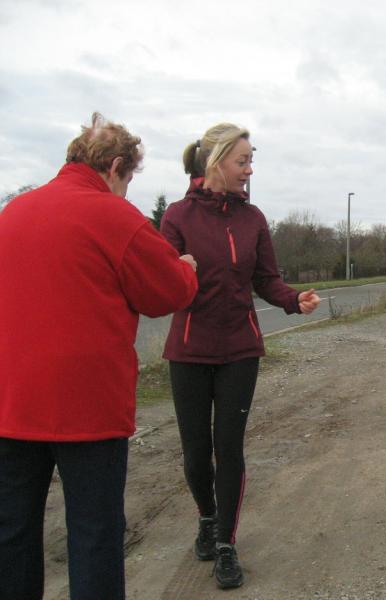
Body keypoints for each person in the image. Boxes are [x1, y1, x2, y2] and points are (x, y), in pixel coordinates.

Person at [0, 113, 198, 600]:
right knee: (94, 537)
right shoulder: (114, 216)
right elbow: (166, 293)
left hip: (11, 405)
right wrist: (186, 268)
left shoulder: (13, 213)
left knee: (12, 535)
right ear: (114, 167)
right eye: (128, 180)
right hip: (87, 410)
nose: (126, 191)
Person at [161, 123, 321, 590]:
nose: (250, 170)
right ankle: (207, 517)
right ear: (216, 163)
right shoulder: (177, 216)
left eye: (251, 161)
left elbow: (266, 280)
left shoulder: (253, 219)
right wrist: (175, 269)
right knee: (196, 453)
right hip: (189, 350)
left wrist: (293, 299)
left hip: (240, 351)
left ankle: (227, 544)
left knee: (228, 449)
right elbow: (162, 283)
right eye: (243, 161)